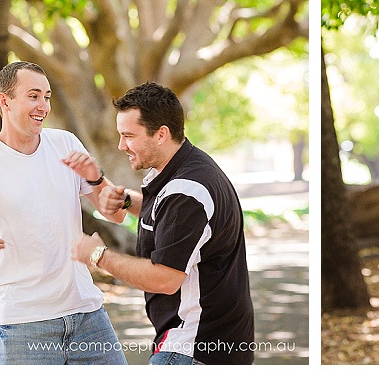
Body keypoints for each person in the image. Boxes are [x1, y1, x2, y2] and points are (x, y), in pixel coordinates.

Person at [0, 61, 127, 364]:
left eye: (47, 97)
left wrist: (97, 178)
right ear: (4, 101)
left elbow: (116, 215)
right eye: (34, 96)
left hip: (87, 316)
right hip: (24, 324)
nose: (43, 106)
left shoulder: (65, 143)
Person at [69, 82, 256, 365]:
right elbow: (173, 217)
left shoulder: (186, 191)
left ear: (161, 134)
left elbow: (165, 278)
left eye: (129, 136)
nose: (122, 146)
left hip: (193, 349)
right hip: (216, 345)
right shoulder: (190, 169)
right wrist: (128, 200)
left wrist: (97, 255)